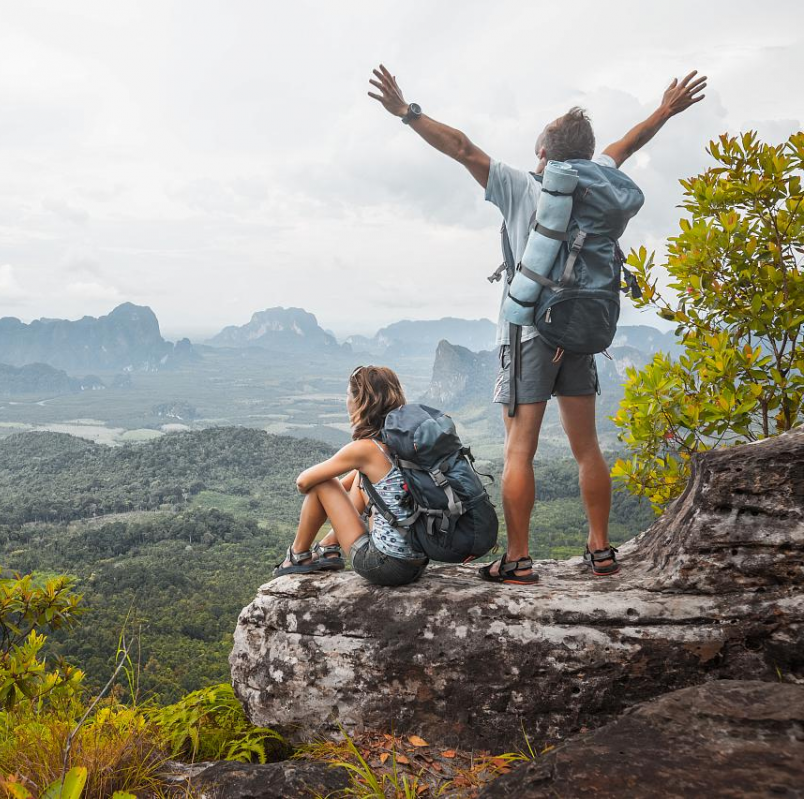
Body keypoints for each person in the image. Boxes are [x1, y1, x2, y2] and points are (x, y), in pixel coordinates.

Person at [367, 65, 707, 584]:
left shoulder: (523, 185)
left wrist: (407, 113)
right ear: (587, 153)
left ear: (545, 153)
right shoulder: (600, 180)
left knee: (518, 449)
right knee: (587, 447)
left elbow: (462, 148)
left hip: (530, 335)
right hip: (583, 331)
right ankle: (600, 550)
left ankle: (519, 558)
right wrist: (665, 110)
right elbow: (628, 143)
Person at [274, 365, 429, 587]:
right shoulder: (401, 440)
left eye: (348, 395)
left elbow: (303, 481)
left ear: (361, 401)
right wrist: (336, 496)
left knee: (322, 482)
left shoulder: (365, 449)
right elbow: (350, 484)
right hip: (416, 563)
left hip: (384, 566)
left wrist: (324, 493)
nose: (346, 400)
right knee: (357, 477)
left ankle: (297, 555)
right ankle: (328, 547)